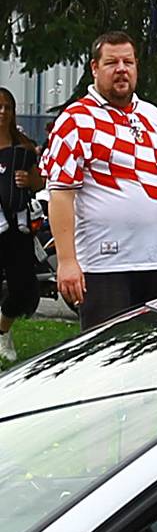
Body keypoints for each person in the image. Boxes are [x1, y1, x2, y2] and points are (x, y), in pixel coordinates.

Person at [41, 32, 157, 330]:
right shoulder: (75, 119)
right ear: (94, 68)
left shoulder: (153, 116)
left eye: (128, 62)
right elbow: (60, 194)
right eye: (111, 62)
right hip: (104, 267)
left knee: (155, 356)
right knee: (108, 363)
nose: (121, 69)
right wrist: (66, 262)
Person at [0, 89, 43, 364]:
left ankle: (2, 330)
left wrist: (28, 181)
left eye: (7, 107)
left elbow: (41, 182)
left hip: (18, 227)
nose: (2, 112)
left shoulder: (24, 147)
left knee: (22, 287)